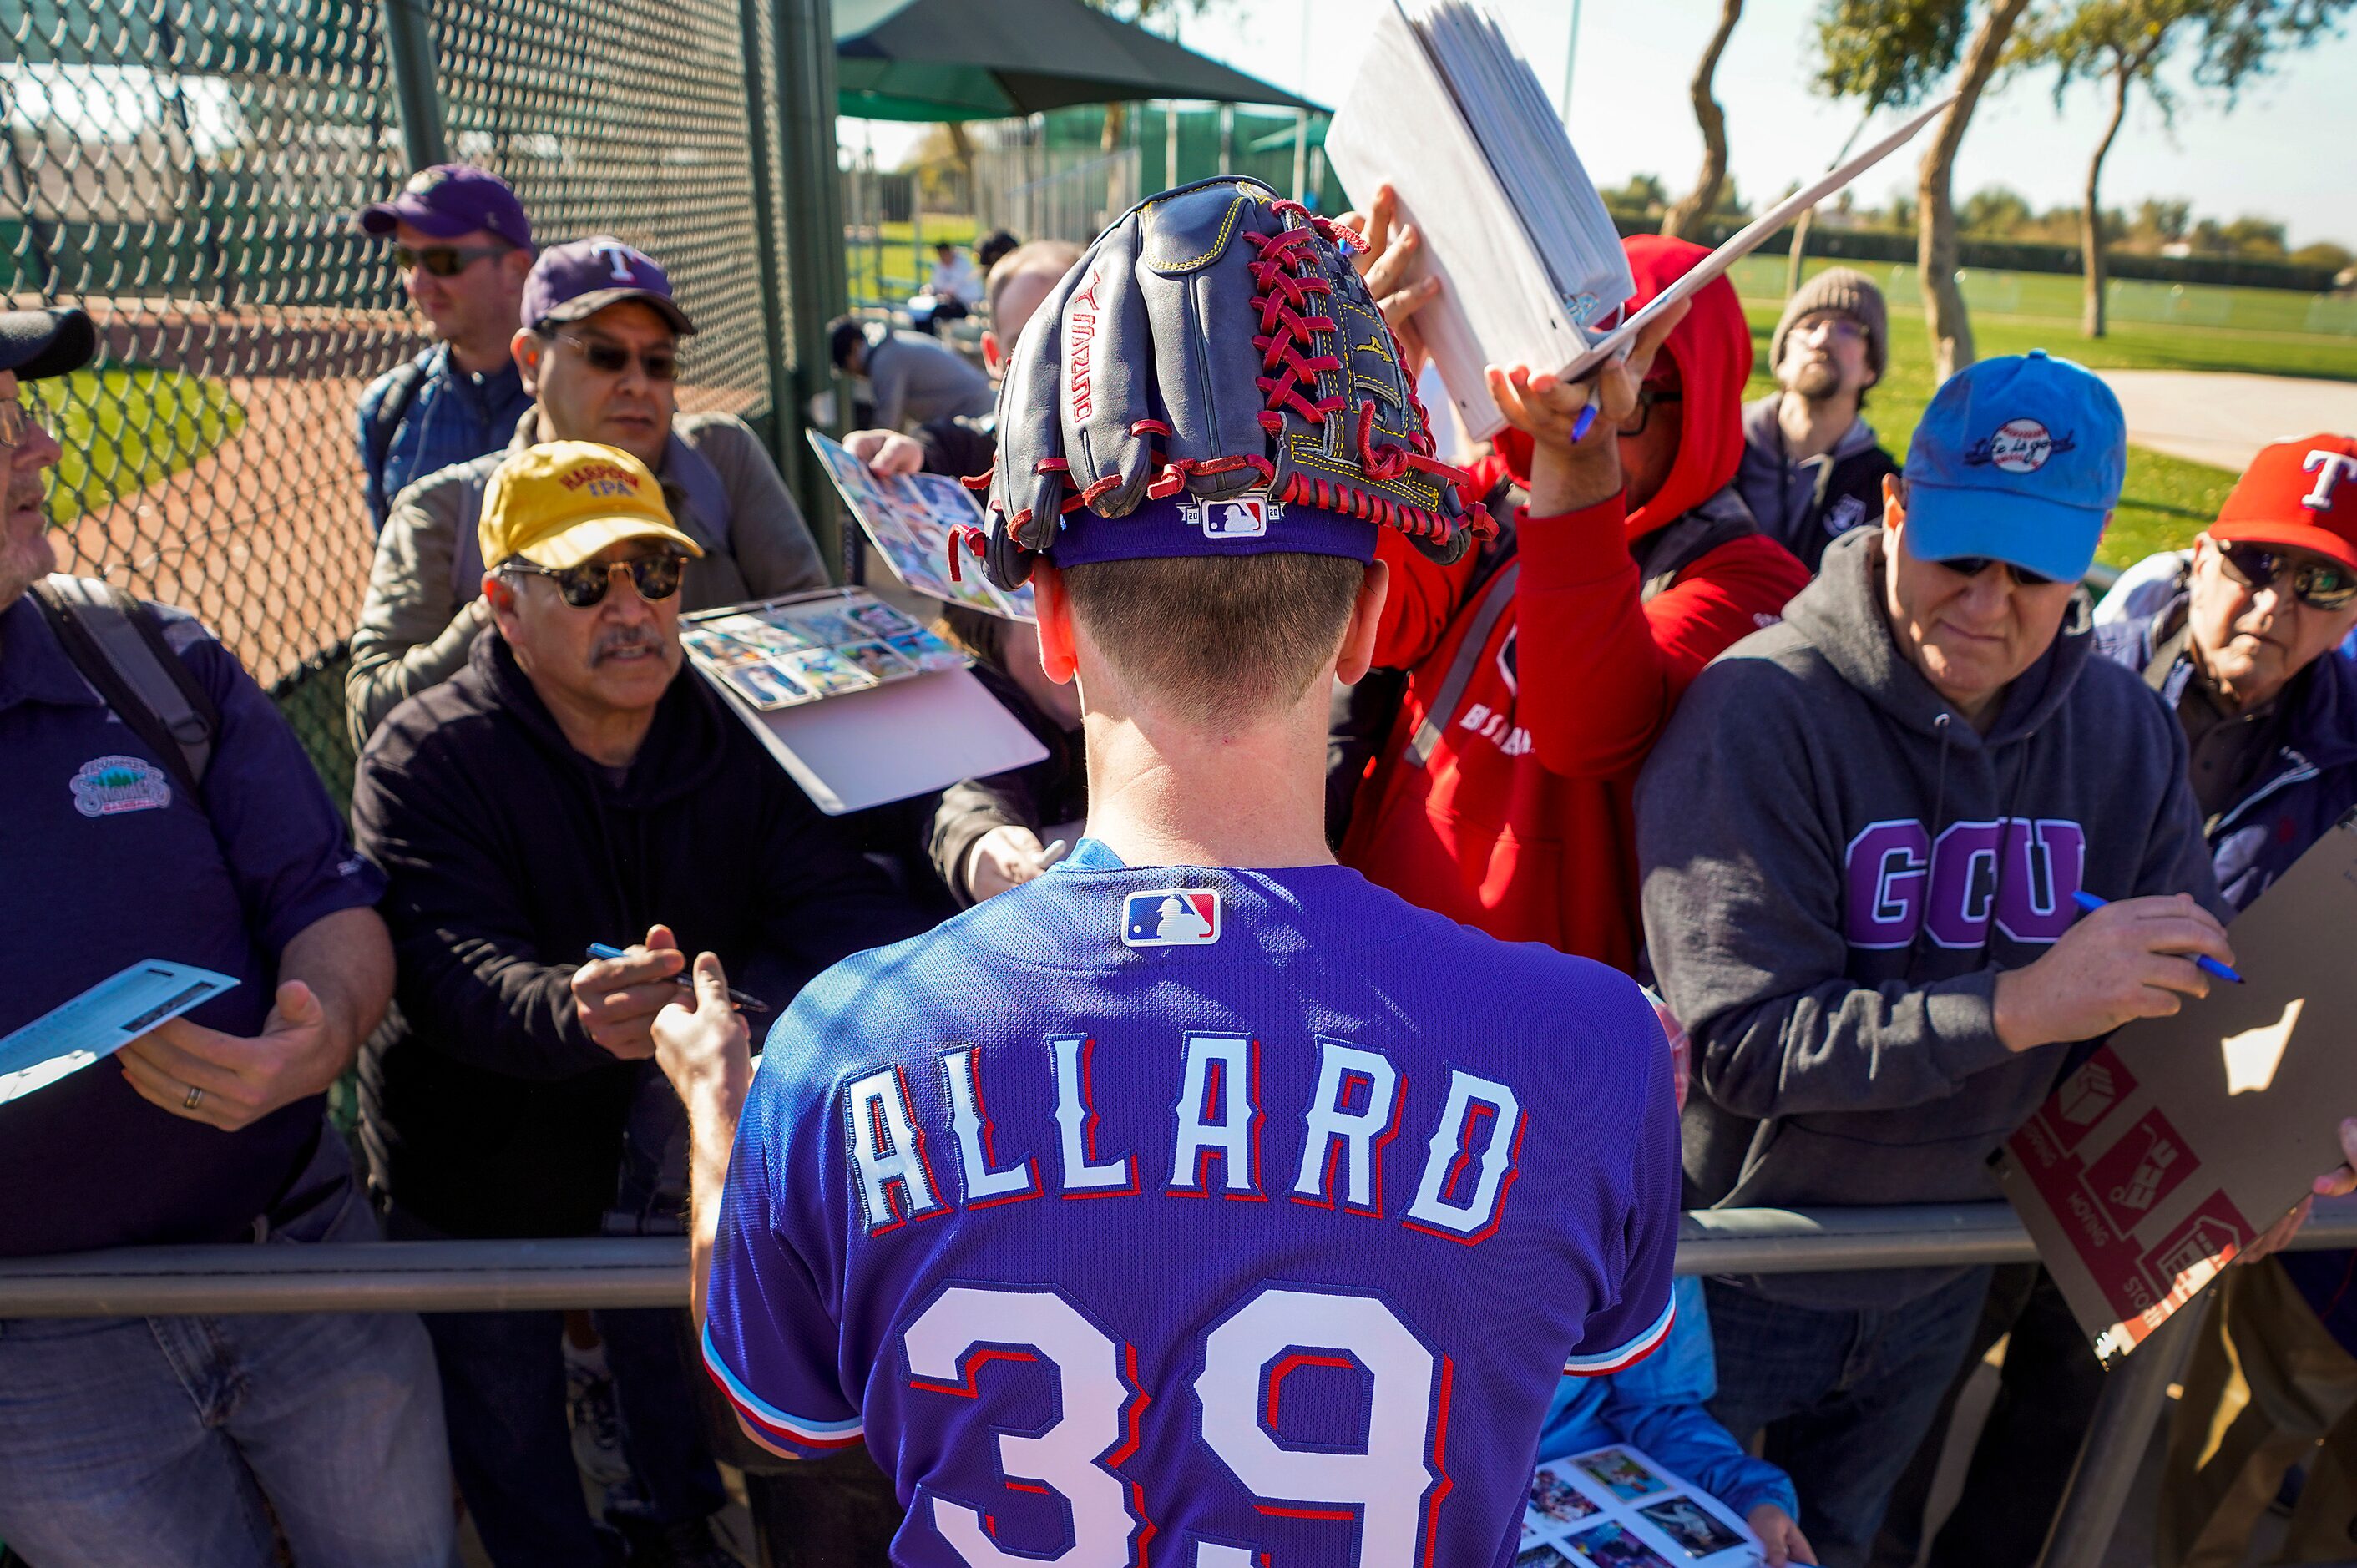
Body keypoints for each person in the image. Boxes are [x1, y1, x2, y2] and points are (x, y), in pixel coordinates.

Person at [652, 180, 1682, 1562]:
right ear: (1374, 616)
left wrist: (719, 1117)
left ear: (1057, 624)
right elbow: (1560, 1356)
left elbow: (776, 1422)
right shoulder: (1592, 1047)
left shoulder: (834, 1050)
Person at [1637, 350, 2238, 1568]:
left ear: (2092, 553)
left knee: (1847, 1540)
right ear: (1895, 508)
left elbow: (2182, 1000)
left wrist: (2272, 1140)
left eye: (2031, 572)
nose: (1986, 603)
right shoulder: (1758, 708)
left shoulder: (2119, 733)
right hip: (1730, 1263)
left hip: (1936, 1264)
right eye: (1959, 556)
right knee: (1688, 1551)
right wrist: (2016, 1005)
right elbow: (1744, 1045)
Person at [350, 441, 924, 1566]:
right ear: (500, 608)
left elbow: (834, 899)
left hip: (673, 1157)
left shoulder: (730, 721)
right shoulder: (425, 752)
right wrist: (575, 1010)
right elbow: (443, 968)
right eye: (584, 582)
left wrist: (725, 1013)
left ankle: (674, 1520)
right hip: (487, 1178)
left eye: (655, 575)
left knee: (689, 1418)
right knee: (515, 1446)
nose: (633, 610)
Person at [0, 307, 453, 1567]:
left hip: (294, 1249)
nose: (41, 448)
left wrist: (319, 1034)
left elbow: (322, 899)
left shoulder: (144, 656)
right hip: (33, 1339)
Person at [1338, 213, 1811, 972]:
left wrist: (1576, 461)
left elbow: (1584, 730)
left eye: (1626, 395)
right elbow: (1369, 626)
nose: (1591, 407)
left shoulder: (1755, 585)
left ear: (1705, 398)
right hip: (1380, 955)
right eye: (1573, 370)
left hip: (1557, 1026)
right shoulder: (1498, 499)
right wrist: (1372, 399)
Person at [2089, 436, 2357, 1567]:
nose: (2274, 605)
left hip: (2192, 1145)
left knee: (2075, 1424)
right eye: (2255, 562)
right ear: (2197, 556)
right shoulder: (2068, 672)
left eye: (2322, 584)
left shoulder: (2344, 743)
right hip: (2003, 1114)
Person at [347, 235, 827, 745]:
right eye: (605, 356)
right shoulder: (444, 509)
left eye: (658, 362)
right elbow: (373, 716)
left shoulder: (721, 456)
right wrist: (514, 604)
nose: (638, 384)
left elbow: (820, 626)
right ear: (530, 360)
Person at [353, 163, 536, 534]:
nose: (418, 284)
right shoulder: (388, 408)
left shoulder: (582, 391)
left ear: (516, 269)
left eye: (442, 261)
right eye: (407, 259)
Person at [846, 238, 1081, 482]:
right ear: (993, 357)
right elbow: (953, 446)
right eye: (1022, 347)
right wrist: (914, 455)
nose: (1052, 364)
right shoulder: (991, 452)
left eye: (1073, 338)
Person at [1735, 267, 1899, 574]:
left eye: (1848, 329)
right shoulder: (1721, 444)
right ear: (1781, 360)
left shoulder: (1883, 488)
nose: (1822, 340)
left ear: (1871, 369)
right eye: (1808, 325)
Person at [826, 312, 995, 433]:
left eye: (847, 365)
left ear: (855, 346)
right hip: (974, 408)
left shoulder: (884, 361)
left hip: (976, 414)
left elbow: (887, 426)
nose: (852, 373)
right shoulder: (887, 349)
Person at [913, 240, 981, 333]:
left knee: (933, 313)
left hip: (965, 305)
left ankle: (928, 338)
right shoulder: (940, 265)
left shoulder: (963, 265)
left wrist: (942, 294)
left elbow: (952, 291)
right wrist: (928, 289)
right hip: (946, 303)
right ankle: (921, 337)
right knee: (921, 311)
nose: (942, 256)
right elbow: (936, 285)